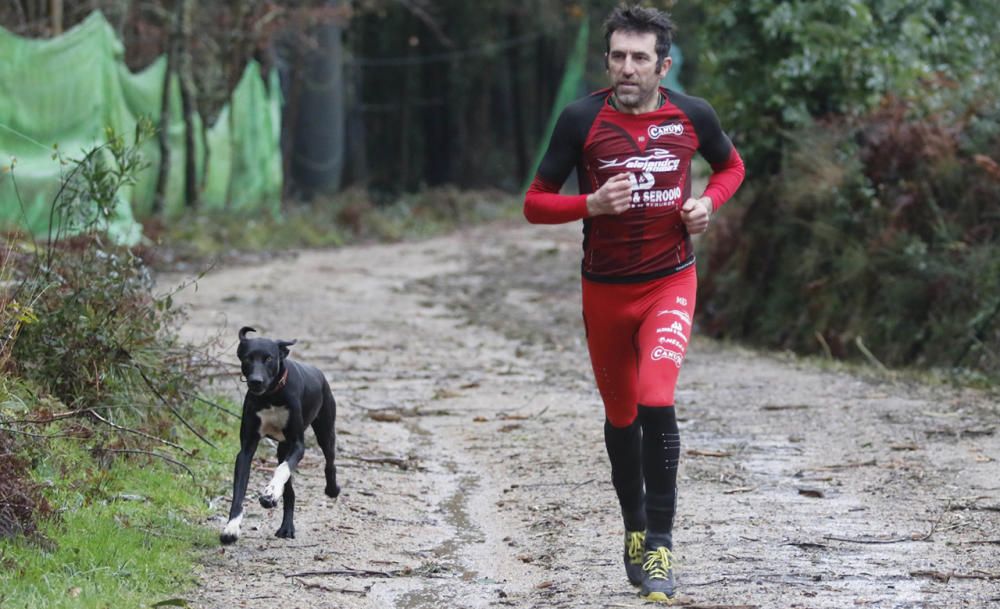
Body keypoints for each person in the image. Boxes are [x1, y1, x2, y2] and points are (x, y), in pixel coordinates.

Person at [523, 5, 745, 602]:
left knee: (656, 398)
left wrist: (708, 206)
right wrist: (589, 205)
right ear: (607, 61)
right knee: (621, 417)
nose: (627, 67)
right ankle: (634, 527)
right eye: (618, 56)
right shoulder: (580, 120)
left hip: (670, 282)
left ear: (662, 65)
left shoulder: (692, 115)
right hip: (603, 292)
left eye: (640, 58)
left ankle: (662, 544)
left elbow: (731, 167)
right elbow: (535, 201)